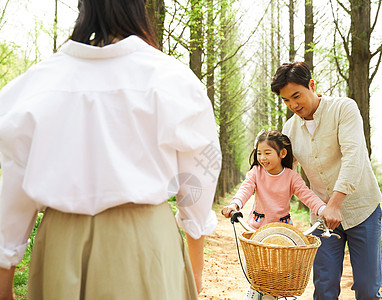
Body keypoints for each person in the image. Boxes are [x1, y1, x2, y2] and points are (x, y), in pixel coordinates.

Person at [0, 1, 221, 299]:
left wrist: (4, 280)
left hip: (60, 247)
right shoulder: (172, 78)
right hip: (149, 244)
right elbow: (197, 179)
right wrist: (195, 264)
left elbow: (15, 192)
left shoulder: (37, 83)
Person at [271, 61, 382, 300]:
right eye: (286, 100)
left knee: (366, 288)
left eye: (296, 96)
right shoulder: (289, 129)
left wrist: (335, 204)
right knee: (324, 288)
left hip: (362, 209)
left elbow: (355, 156)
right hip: (322, 216)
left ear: (311, 85)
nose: (293, 105)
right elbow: (286, 174)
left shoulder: (344, 108)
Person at [221, 130, 327, 300]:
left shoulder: (291, 177)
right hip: (257, 230)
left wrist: (323, 210)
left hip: (283, 233)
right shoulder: (256, 172)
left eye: (267, 153)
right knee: (255, 271)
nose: (262, 158)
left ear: (282, 153)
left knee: (281, 274)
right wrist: (234, 205)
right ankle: (255, 290)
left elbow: (307, 195)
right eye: (259, 153)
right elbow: (245, 189)